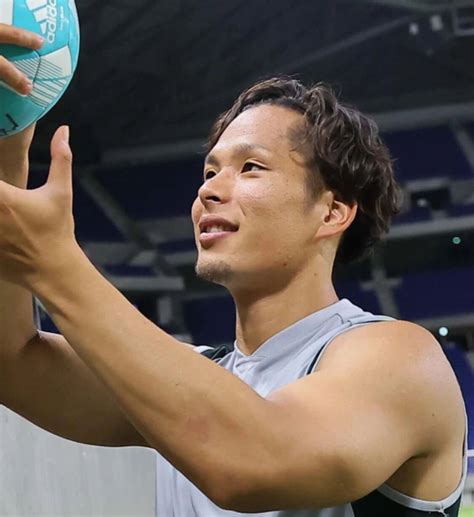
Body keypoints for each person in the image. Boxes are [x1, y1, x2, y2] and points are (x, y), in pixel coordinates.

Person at [0, 23, 468, 517]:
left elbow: (251, 464)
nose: (209, 190)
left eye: (250, 168)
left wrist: (57, 264)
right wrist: (10, 132)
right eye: (209, 171)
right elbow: (13, 360)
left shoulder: (401, 357)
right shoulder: (194, 382)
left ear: (332, 212)